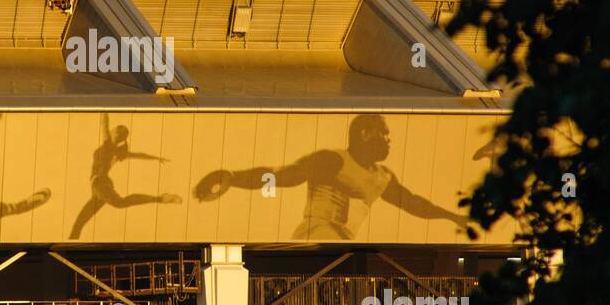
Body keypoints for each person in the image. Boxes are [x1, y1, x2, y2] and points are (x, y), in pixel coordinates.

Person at [195, 114, 470, 239]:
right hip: (316, 236)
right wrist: (232, 177)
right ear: (364, 134)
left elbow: (413, 203)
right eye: (384, 134)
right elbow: (284, 175)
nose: (389, 141)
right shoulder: (333, 159)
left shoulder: (383, 176)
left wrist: (453, 216)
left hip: (342, 246)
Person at [69, 114, 181, 239]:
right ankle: (72, 239)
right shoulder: (117, 151)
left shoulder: (108, 145)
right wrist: (155, 158)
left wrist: (103, 107)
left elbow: (104, 123)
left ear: (115, 134)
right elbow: (138, 155)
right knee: (80, 223)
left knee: (120, 203)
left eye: (114, 129)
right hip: (98, 187)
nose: (111, 130)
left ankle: (161, 198)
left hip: (100, 183)